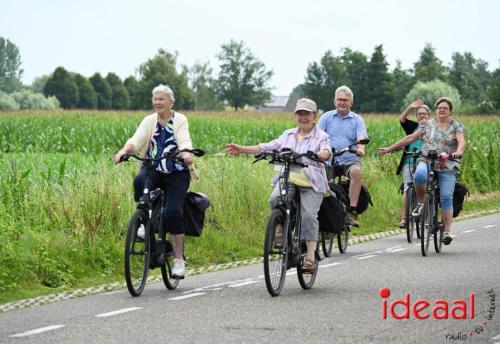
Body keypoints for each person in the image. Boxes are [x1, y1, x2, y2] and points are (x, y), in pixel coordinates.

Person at [225, 98, 331, 272]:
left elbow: (327, 150)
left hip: (311, 182)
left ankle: (311, 256)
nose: (303, 117)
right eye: (300, 114)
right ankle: (281, 229)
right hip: (289, 177)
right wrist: (242, 149)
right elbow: (267, 146)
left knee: (308, 215)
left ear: (315, 116)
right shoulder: (288, 134)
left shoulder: (321, 136)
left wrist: (321, 155)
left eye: (306, 114)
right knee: (275, 199)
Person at [114, 84, 197, 278]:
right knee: (139, 180)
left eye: (161, 99)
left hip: (176, 172)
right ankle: (144, 221)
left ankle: (178, 260)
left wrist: (186, 153)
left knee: (173, 212)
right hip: (154, 168)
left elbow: (184, 139)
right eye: (155, 99)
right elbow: (137, 139)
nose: (157, 102)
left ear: (171, 102)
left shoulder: (179, 119)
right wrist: (124, 151)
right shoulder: (149, 120)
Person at [379, 97, 466, 245]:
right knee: (418, 175)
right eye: (440, 107)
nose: (442, 110)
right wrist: (389, 149)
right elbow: (410, 138)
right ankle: (420, 204)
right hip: (426, 160)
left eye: (445, 108)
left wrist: (457, 152)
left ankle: (446, 231)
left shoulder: (456, 126)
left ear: (450, 111)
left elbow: (461, 142)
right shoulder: (426, 124)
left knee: (446, 197)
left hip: (447, 164)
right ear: (436, 110)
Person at [317, 85, 368, 227]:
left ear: (351, 103)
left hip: (349, 157)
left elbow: (361, 137)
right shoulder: (326, 117)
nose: (342, 102)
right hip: (328, 159)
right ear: (334, 101)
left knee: (356, 171)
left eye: (345, 100)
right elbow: (318, 137)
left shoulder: (357, 120)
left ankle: (351, 211)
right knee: (320, 182)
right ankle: (321, 215)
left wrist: (361, 148)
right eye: (339, 99)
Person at [396, 99, 431, 228]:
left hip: (426, 161)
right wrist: (410, 107)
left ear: (429, 116)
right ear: (416, 117)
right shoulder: (412, 127)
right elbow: (402, 119)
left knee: (429, 188)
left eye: (424, 114)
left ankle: (429, 215)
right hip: (409, 160)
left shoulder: (433, 128)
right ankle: (404, 218)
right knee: (407, 187)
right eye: (419, 114)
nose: (422, 116)